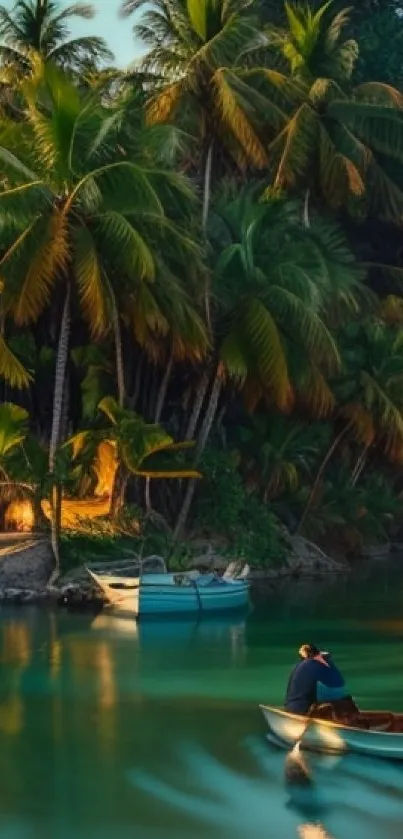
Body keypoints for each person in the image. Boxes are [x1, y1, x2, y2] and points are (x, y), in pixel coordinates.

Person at [284, 643, 353, 716]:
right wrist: (329, 663)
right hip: (303, 710)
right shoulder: (313, 664)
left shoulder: (299, 665)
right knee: (346, 702)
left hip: (290, 707)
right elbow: (338, 682)